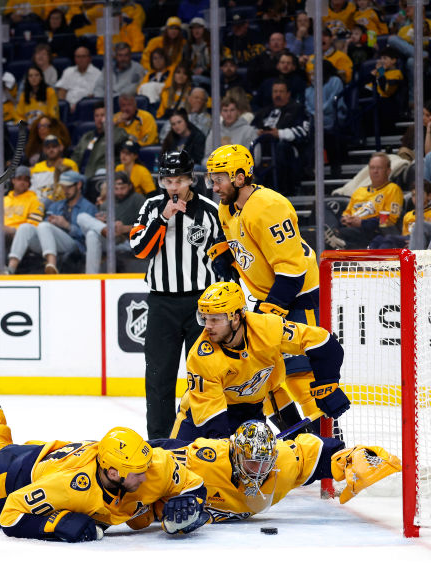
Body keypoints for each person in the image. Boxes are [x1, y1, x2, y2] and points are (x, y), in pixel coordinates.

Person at [0, 341, 210, 541]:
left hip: (35, 455)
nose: (147, 472)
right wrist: (62, 525)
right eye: (137, 471)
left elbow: (192, 484)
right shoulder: (72, 486)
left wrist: (191, 501)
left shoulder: (153, 467)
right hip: (8, 480)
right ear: (114, 473)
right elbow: (12, 515)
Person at [205, 144, 325, 424]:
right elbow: (250, 245)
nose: (214, 186)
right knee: (264, 379)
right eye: (211, 179)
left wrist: (271, 311)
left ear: (238, 177)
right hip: (269, 296)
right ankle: (298, 440)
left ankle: (328, 446)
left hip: (297, 297)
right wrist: (229, 254)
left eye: (219, 179)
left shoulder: (269, 206)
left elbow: (292, 270)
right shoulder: (227, 207)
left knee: (301, 377)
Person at [174, 282, 349, 441]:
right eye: (204, 318)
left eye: (214, 319)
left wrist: (327, 386)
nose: (207, 326)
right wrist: (225, 449)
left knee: (272, 465)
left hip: (254, 408)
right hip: (201, 417)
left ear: (235, 318)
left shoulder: (267, 328)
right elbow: (212, 424)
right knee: (182, 468)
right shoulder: (201, 357)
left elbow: (324, 343)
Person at [129, 149, 222, 439]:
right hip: (161, 304)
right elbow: (140, 249)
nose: (173, 187)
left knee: (205, 376)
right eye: (168, 181)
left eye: (179, 180)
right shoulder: (150, 207)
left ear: (190, 180)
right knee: (158, 377)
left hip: (202, 306)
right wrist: (163, 218)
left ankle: (205, 441)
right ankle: (158, 444)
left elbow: (223, 259)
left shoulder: (209, 210)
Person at [149, 420, 401, 523]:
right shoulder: (206, 459)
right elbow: (155, 457)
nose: (258, 471)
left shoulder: (283, 461)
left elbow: (321, 453)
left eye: (264, 462)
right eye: (251, 463)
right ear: (236, 456)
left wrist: (351, 457)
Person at [3, 170, 93, 275]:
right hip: (50, 243)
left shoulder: (88, 207)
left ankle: (51, 265)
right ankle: (11, 268)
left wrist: (67, 226)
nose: (65, 190)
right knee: (25, 227)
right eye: (63, 187)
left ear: (79, 185)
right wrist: (52, 222)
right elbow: (42, 228)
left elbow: (88, 237)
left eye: (69, 187)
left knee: (45, 226)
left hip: (74, 244)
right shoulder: (56, 205)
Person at [251, 79, 312, 195]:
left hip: (288, 149)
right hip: (262, 149)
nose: (277, 95)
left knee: (281, 148)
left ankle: (284, 190)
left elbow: (303, 132)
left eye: (281, 92)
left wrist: (279, 134)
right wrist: (257, 132)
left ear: (288, 94)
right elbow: (250, 129)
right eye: (275, 92)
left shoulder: (298, 110)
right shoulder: (264, 111)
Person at [332, 152, 404, 249]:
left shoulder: (393, 189)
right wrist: (346, 219)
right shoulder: (359, 191)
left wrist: (362, 223)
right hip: (351, 228)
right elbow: (346, 213)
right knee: (324, 208)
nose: (375, 171)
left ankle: (337, 239)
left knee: (339, 234)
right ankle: (334, 236)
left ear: (388, 171)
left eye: (379, 168)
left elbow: (390, 220)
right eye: (372, 168)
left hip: (373, 231)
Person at [72, 105, 129, 183]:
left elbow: (114, 140)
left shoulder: (119, 132)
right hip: (81, 174)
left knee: (101, 174)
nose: (99, 119)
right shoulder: (87, 136)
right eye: (96, 116)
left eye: (103, 115)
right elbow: (76, 156)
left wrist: (109, 125)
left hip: (101, 174)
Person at [30, 134, 79, 205]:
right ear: (44, 150)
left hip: (60, 202)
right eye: (48, 147)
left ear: (61, 147)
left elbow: (75, 187)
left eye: (54, 146)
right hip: (38, 202)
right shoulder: (37, 167)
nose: (51, 150)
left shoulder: (70, 164)